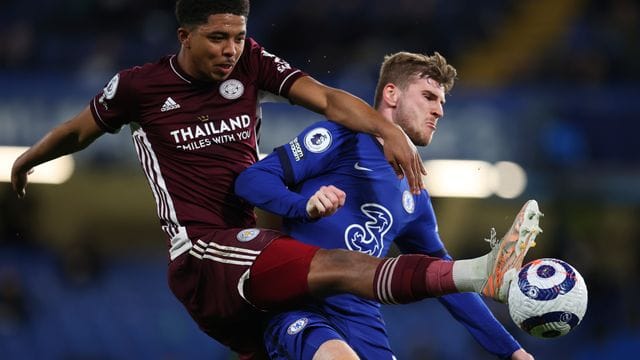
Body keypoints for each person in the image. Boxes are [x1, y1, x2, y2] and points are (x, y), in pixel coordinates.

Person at [10, 1, 541, 358]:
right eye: (218, 38)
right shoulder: (138, 87)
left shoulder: (252, 65)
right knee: (346, 265)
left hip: (274, 273)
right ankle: (482, 270)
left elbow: (330, 97)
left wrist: (513, 351)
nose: (231, 50)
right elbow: (80, 131)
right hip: (204, 252)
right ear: (184, 36)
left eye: (239, 37)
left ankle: (479, 274)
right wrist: (28, 159)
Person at [235, 51, 538, 359]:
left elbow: (444, 282)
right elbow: (250, 181)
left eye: (442, 103)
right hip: (301, 304)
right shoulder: (340, 139)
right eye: (429, 97)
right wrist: (303, 205)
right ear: (391, 94)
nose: (439, 111)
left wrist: (512, 351)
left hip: (362, 321)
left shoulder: (416, 194)